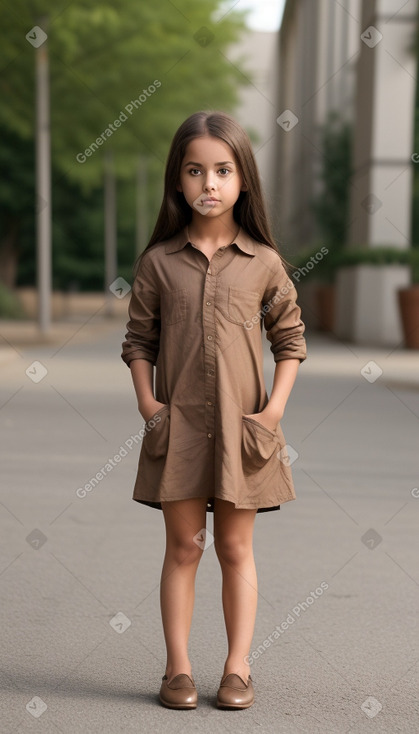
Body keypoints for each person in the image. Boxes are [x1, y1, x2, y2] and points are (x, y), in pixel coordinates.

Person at [121, 110, 307, 710]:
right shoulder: (158, 263)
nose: (209, 183)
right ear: (178, 180)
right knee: (183, 547)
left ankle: (237, 668)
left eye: (222, 170)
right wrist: (149, 403)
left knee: (233, 548)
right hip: (177, 429)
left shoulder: (264, 262)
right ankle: (178, 669)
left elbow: (291, 339)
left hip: (243, 430)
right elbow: (138, 341)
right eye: (195, 170)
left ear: (243, 179)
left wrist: (273, 413)